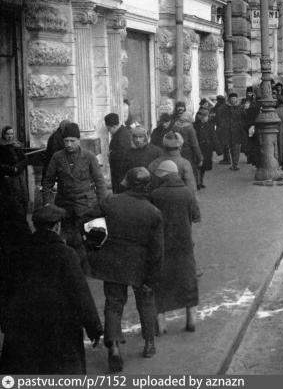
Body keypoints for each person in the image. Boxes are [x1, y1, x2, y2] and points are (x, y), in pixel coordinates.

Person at [0, 204, 103, 374]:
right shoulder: (66, 254)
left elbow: (5, 290)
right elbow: (81, 295)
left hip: (23, 329)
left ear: (35, 226)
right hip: (60, 330)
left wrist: (6, 322)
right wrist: (94, 329)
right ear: (57, 226)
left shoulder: (17, 253)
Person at [85, 167, 164, 371]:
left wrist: (96, 244)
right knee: (145, 303)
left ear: (127, 182)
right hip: (141, 265)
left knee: (113, 305)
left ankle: (114, 348)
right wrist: (153, 275)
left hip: (113, 263)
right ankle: (149, 344)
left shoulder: (110, 201)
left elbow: (86, 220)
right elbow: (157, 249)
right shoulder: (153, 211)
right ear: (147, 185)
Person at [42, 122, 106, 274]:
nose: (69, 144)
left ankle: (89, 269)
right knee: (71, 240)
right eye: (66, 141)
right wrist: (48, 204)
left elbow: (100, 182)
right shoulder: (57, 157)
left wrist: (102, 205)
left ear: (79, 140)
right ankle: (75, 270)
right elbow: (47, 183)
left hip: (86, 203)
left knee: (89, 238)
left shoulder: (89, 157)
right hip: (65, 205)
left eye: (72, 141)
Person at [150, 160, 201, 336]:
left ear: (163, 175)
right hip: (184, 244)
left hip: (163, 246)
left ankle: (162, 326)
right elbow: (195, 216)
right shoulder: (187, 193)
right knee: (188, 281)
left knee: (161, 284)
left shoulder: (156, 194)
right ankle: (191, 321)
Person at [171, 101, 202, 182]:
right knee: (189, 173)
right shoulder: (190, 129)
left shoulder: (175, 126)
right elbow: (195, 145)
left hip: (177, 152)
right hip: (188, 154)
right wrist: (200, 158)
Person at [218, 92, 247, 171]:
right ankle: (233, 163)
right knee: (231, 147)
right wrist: (224, 125)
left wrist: (240, 124)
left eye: (234, 98)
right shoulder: (225, 107)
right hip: (228, 130)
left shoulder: (240, 107)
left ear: (236, 99)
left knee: (236, 147)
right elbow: (221, 117)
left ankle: (235, 164)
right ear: (229, 99)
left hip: (237, 130)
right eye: (231, 99)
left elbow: (245, 117)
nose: (233, 100)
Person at [105, 113, 132, 194]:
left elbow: (124, 153)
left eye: (109, 129)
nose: (109, 131)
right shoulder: (121, 133)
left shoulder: (122, 135)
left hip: (121, 172)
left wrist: (111, 154)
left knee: (120, 191)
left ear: (114, 126)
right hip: (118, 171)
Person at [193, 109, 215, 189]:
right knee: (198, 165)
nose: (208, 118)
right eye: (206, 117)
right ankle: (198, 183)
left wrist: (218, 149)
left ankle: (201, 181)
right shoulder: (194, 126)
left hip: (207, 149)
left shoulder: (209, 125)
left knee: (204, 167)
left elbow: (213, 137)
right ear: (202, 117)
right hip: (198, 148)